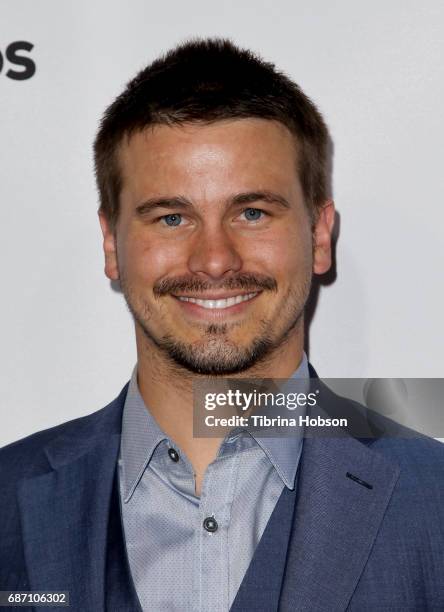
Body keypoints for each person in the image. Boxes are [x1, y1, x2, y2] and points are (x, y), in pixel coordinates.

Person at [1, 38, 443, 612]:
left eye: (252, 212)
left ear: (318, 236)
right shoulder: (8, 499)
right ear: (112, 244)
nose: (214, 259)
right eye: (172, 216)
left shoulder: (434, 503)